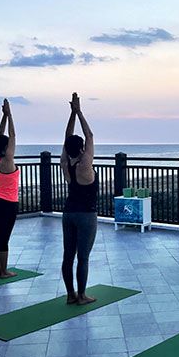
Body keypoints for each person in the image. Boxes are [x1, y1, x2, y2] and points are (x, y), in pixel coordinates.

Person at [61, 92, 99, 305]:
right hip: (86, 216)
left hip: (68, 213)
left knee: (68, 256)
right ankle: (82, 295)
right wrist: (79, 112)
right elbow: (90, 135)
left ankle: (70, 295)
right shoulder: (85, 165)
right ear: (83, 148)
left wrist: (72, 114)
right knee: (82, 257)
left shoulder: (66, 165)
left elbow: (67, 138)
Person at [0, 99, 20, 278]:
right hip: (9, 204)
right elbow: (12, 135)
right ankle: (4, 271)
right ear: (6, 147)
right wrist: (10, 115)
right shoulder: (8, 161)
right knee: (4, 238)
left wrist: (4, 116)